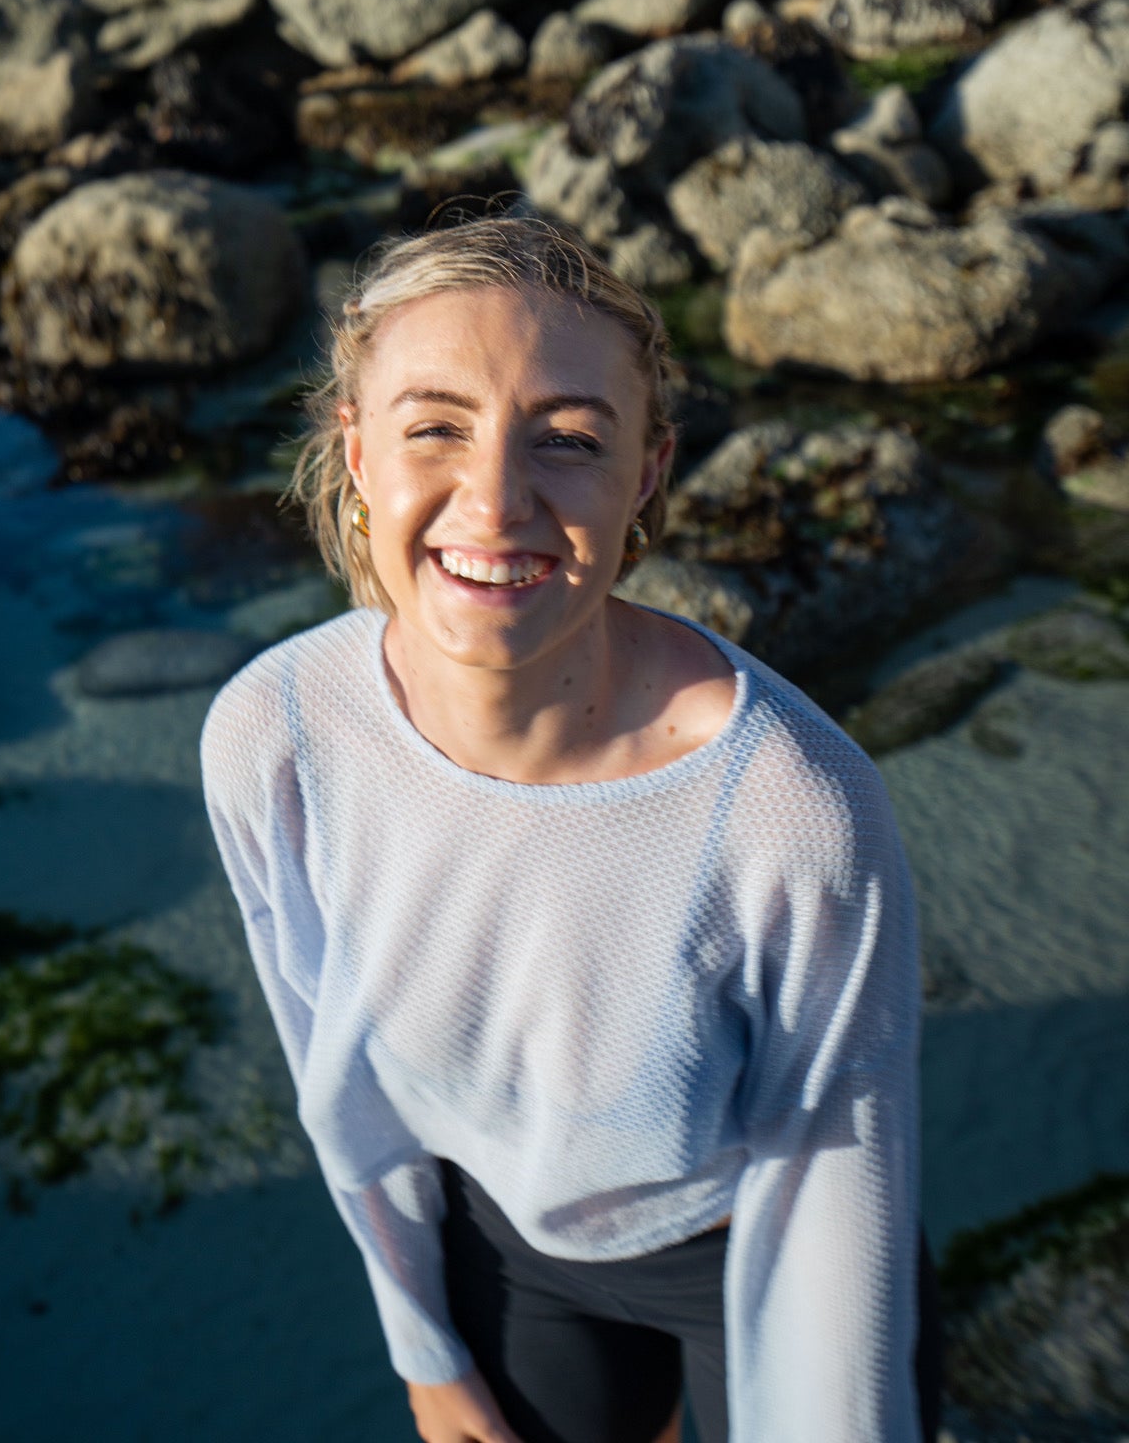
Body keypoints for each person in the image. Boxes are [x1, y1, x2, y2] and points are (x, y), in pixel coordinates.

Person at [200, 216, 940, 1443]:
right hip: (506, 1246)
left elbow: (839, 1176)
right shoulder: (273, 733)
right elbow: (338, 1090)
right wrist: (426, 1356)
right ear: (357, 449)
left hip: (756, 1242)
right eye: (436, 426)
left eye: (569, 440)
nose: (492, 500)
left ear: (646, 473)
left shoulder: (793, 809)